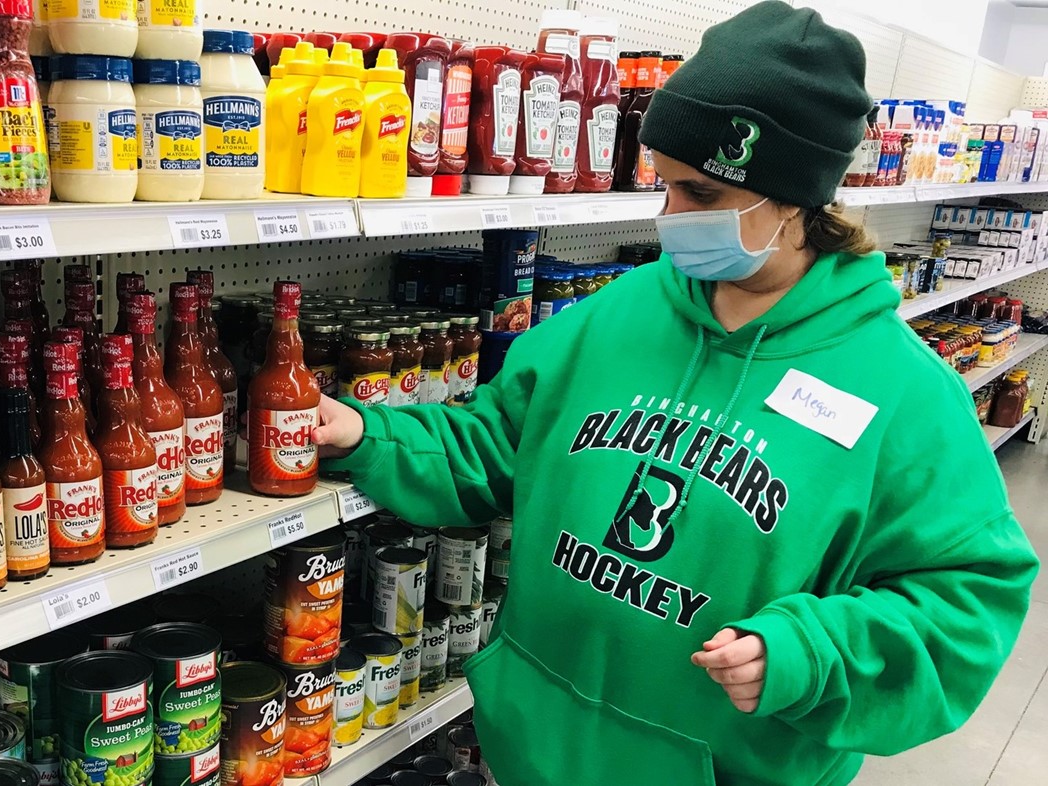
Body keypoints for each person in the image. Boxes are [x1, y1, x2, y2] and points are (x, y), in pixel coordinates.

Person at [312, 3, 1039, 785]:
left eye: (698, 195)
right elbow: (494, 445)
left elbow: (967, 605)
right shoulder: (614, 316)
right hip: (529, 753)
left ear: (792, 199)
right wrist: (365, 433)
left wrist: (810, 653)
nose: (669, 217)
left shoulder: (902, 392)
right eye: (664, 186)